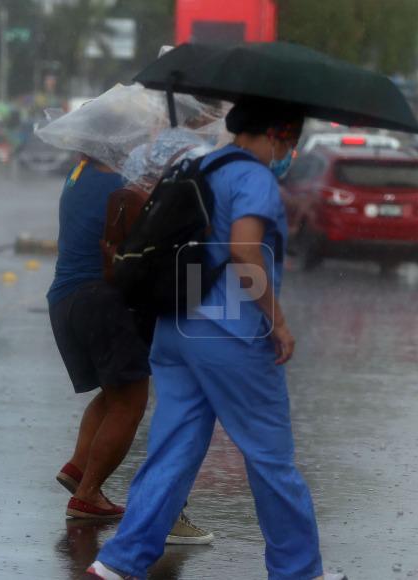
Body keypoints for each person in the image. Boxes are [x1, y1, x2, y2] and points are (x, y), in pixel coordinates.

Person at [87, 98, 347, 580]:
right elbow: (246, 253)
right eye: (288, 141)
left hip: (179, 325)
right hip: (232, 332)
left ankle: (119, 562)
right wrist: (280, 323)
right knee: (270, 456)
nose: (287, 151)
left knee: (174, 447)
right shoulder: (253, 178)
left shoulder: (195, 165)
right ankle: (299, 570)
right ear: (275, 135)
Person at [47, 155, 213, 543]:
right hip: (101, 300)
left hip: (65, 298)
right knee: (130, 402)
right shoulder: (121, 185)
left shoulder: (77, 175)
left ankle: (79, 469)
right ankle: (87, 496)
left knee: (114, 392)